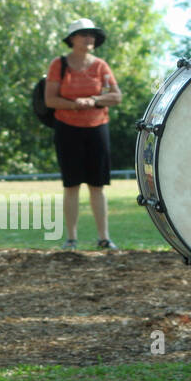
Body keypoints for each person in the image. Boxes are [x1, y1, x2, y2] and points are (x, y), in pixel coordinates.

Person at [44, 18, 121, 250]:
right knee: (71, 185)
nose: (89, 38)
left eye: (92, 35)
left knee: (97, 185)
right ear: (72, 39)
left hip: (97, 128)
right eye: (84, 34)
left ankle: (104, 237)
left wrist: (94, 100)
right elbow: (50, 99)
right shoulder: (59, 65)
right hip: (67, 128)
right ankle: (71, 238)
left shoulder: (101, 66)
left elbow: (116, 96)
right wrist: (75, 104)